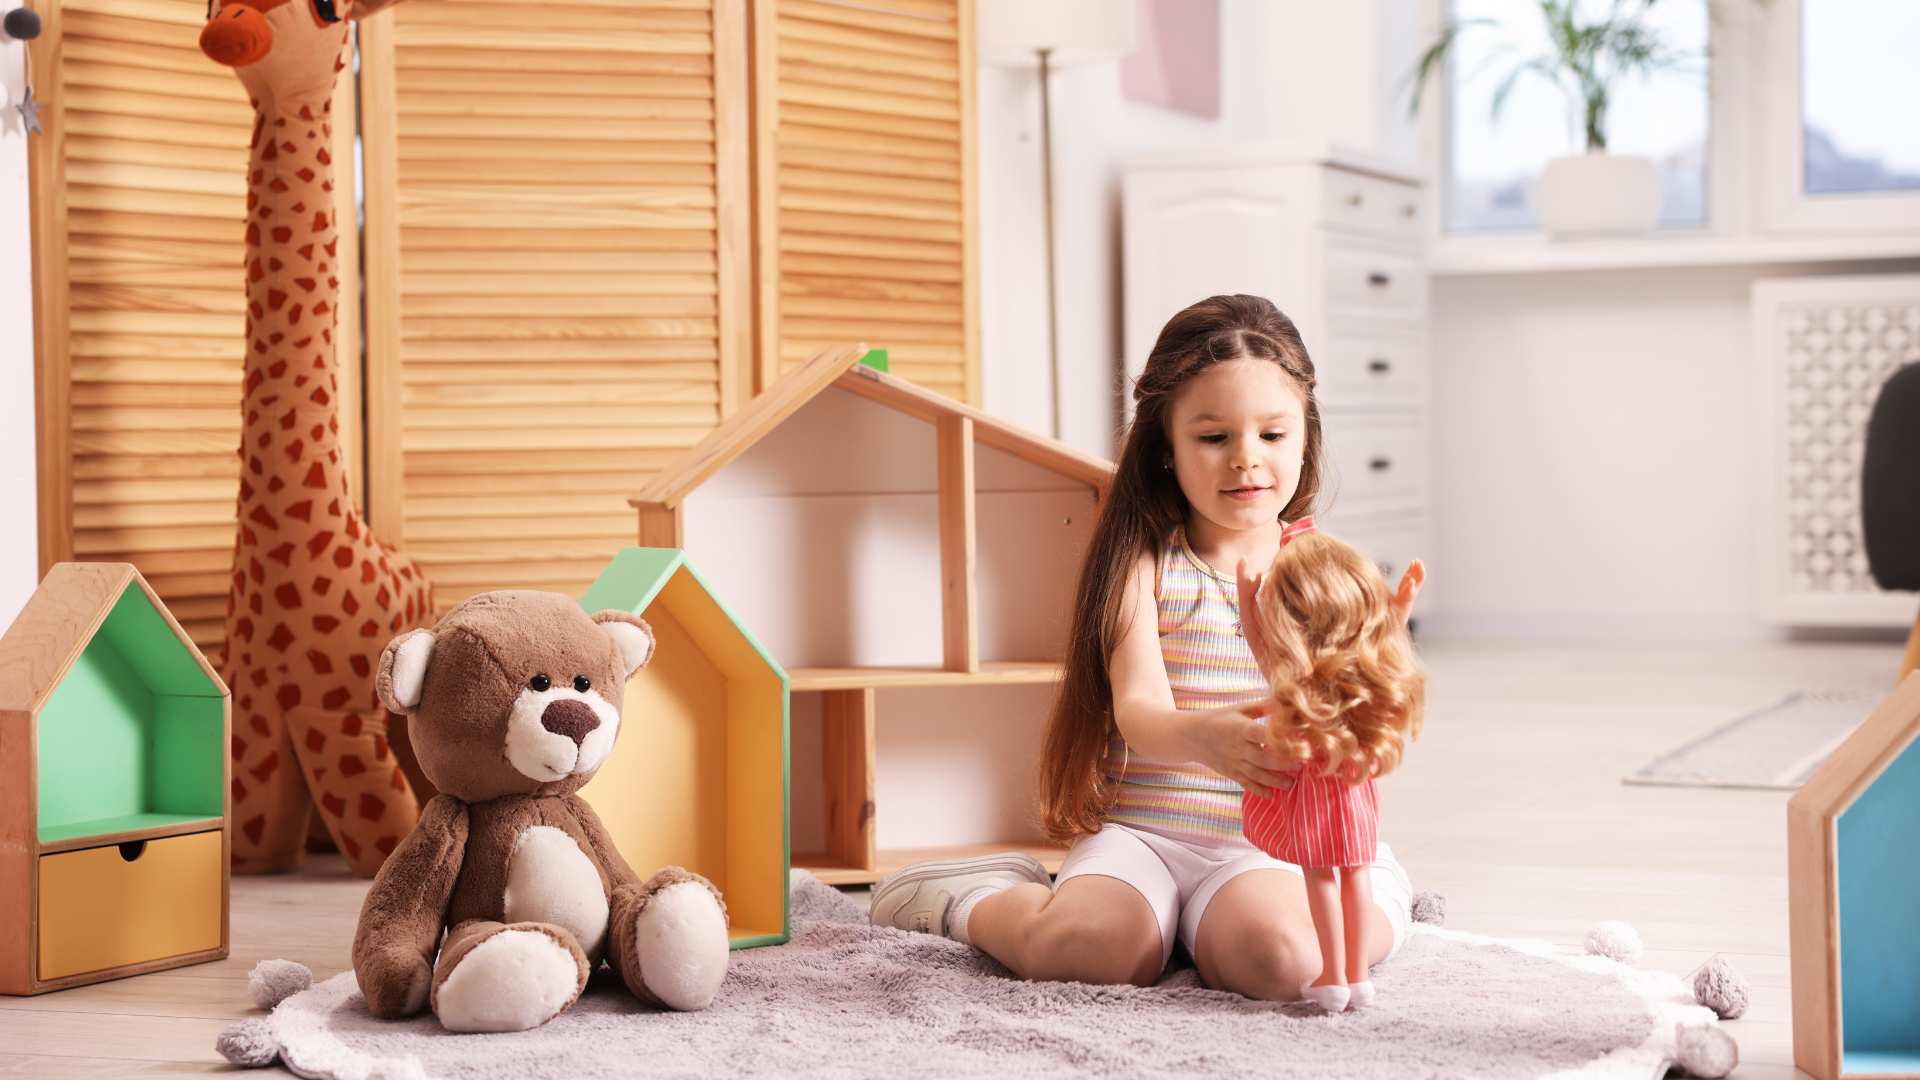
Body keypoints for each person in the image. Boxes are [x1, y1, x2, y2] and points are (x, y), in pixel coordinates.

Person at [870, 294, 1423, 1001]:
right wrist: (1204, 737)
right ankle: (970, 898)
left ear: (1305, 438)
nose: (1246, 459)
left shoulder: (1320, 571)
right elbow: (1138, 709)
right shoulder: (1146, 564)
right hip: (1145, 836)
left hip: (1266, 845)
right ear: (1166, 447)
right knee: (1087, 949)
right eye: (1213, 437)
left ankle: (1380, 890)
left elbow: (1361, 701)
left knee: (1285, 963)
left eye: (1273, 435)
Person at [1240, 522, 1426, 1011]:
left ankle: (1333, 973)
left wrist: (1246, 597)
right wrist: (1399, 610)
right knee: (1356, 874)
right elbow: (1384, 643)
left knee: (1321, 877)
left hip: (1314, 800)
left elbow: (1258, 644)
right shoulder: (1363, 681)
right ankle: (1355, 973)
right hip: (1357, 795)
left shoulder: (1296, 687)